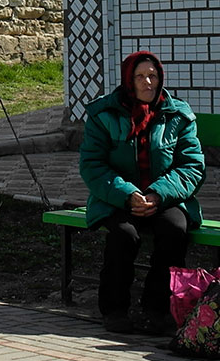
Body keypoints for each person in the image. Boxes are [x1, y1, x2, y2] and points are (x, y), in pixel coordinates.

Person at [77, 51, 205, 332]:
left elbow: (192, 166)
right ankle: (114, 309)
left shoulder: (178, 115)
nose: (148, 82)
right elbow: (92, 165)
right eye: (140, 77)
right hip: (118, 198)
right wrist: (128, 194)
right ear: (128, 81)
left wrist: (158, 195)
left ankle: (158, 309)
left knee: (175, 229)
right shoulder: (103, 115)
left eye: (153, 76)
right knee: (124, 235)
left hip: (164, 198)